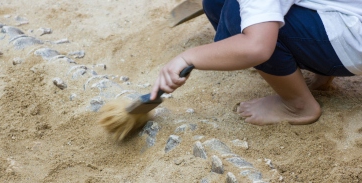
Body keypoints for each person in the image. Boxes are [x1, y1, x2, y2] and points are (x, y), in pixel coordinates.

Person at [150, 0, 362, 125]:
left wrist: (187, 58)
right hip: (347, 14)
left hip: (352, 44)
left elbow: (257, 47)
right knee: (217, 3)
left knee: (239, 16)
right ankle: (322, 73)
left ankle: (298, 105)